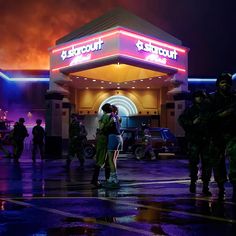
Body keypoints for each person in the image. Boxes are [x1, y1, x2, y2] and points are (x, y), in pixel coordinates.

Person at [178, 90, 212, 195]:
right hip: (194, 140)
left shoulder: (208, 110)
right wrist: (192, 123)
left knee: (207, 164)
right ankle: (193, 182)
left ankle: (205, 185)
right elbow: (181, 120)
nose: (200, 98)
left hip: (206, 140)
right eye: (198, 96)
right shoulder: (190, 109)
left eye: (201, 97)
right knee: (193, 163)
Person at [209, 73, 236, 200]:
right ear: (218, 84)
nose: (225, 84)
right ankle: (220, 187)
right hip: (217, 134)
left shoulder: (234, 98)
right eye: (222, 82)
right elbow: (206, 117)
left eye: (227, 82)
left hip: (232, 134)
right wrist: (223, 114)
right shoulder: (212, 99)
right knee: (218, 161)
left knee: (235, 159)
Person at [91, 103, 112, 188]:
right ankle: (95, 180)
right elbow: (101, 127)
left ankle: (106, 179)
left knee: (106, 161)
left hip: (104, 140)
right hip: (104, 140)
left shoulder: (106, 116)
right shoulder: (107, 116)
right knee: (101, 161)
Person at [104, 105, 123, 189]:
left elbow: (107, 127)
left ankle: (114, 178)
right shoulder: (119, 117)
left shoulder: (111, 116)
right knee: (114, 159)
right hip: (119, 138)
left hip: (112, 137)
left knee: (110, 159)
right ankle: (113, 177)